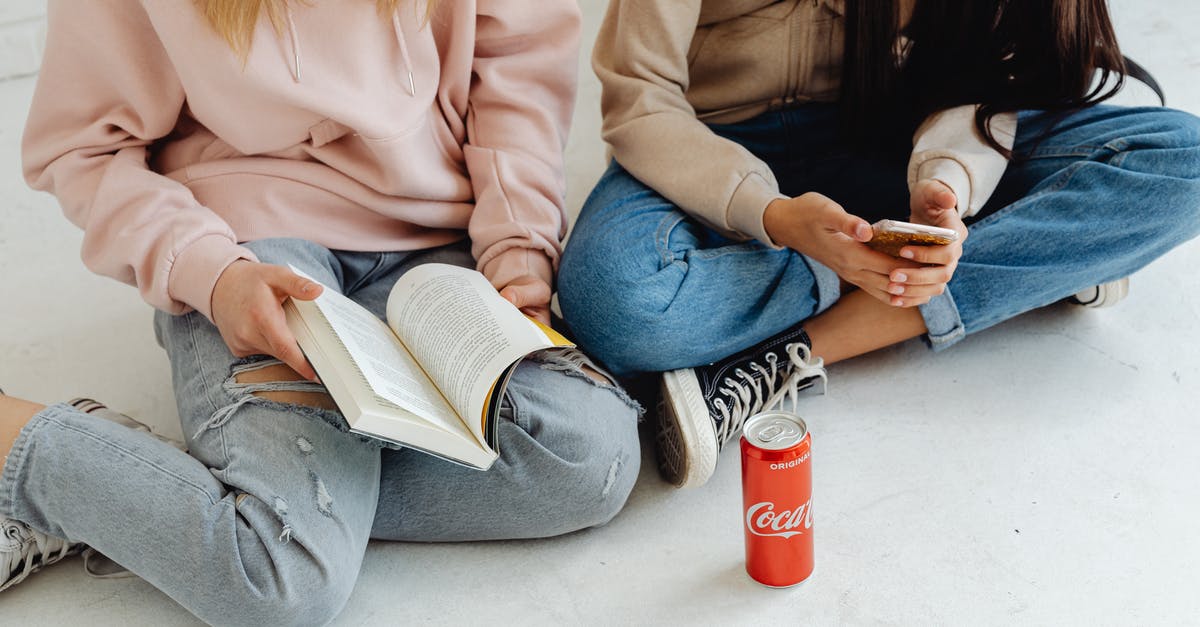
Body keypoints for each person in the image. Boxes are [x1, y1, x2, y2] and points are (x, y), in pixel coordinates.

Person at [0, 1, 642, 623]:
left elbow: (517, 65)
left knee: (592, 464)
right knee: (282, 578)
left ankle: (178, 481)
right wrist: (213, 274)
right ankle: (15, 437)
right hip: (248, 250)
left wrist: (519, 252)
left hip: (435, 243)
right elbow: (82, 149)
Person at [556, 0, 1200, 489]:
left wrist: (945, 187)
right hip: (706, 149)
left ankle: (789, 353)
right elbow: (640, 103)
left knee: (1183, 161)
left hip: (882, 142)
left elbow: (980, 83)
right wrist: (773, 215)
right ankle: (1037, 259)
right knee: (619, 304)